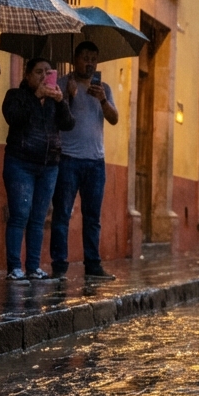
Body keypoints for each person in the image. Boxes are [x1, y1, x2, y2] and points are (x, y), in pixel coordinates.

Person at [51, 42, 119, 281]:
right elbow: (57, 119)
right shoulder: (62, 84)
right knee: (62, 214)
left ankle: (93, 265)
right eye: (85, 58)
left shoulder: (104, 88)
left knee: (93, 218)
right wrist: (67, 97)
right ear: (75, 60)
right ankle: (59, 266)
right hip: (68, 159)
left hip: (95, 162)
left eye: (93, 59)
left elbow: (114, 119)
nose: (90, 63)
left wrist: (102, 100)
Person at [2, 58, 74, 281]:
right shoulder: (16, 95)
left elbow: (69, 124)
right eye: (38, 72)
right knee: (20, 215)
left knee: (39, 218)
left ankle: (33, 267)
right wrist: (36, 97)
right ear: (27, 75)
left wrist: (62, 101)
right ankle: (14, 267)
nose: (43, 77)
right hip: (20, 163)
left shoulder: (54, 100)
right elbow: (14, 117)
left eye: (48, 72)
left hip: (49, 166)